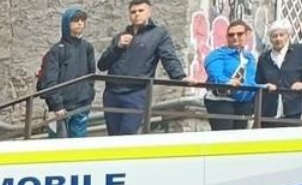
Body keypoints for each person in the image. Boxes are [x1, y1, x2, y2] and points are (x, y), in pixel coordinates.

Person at [95, 0, 187, 135]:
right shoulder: (120, 36)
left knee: (128, 134)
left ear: (149, 12)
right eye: (133, 12)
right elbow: (102, 65)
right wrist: (117, 47)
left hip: (136, 92)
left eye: (140, 11)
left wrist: (180, 76)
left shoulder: (159, 34)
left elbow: (168, 57)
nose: (136, 14)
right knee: (113, 136)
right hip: (112, 93)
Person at [37, 7, 99, 137]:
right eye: (75, 20)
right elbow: (50, 80)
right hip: (61, 108)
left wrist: (88, 96)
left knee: (78, 144)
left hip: (81, 105)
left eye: (82, 20)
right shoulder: (56, 50)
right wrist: (57, 105)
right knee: (58, 146)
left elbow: (91, 74)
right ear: (66, 23)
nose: (80, 23)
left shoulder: (87, 47)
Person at [203, 21, 260, 130]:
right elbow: (215, 75)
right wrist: (228, 82)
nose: (235, 37)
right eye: (231, 35)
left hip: (243, 103)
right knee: (224, 138)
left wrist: (263, 86)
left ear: (247, 35)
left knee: (239, 141)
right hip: (221, 100)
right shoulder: (217, 54)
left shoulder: (250, 58)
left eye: (239, 34)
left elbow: (251, 81)